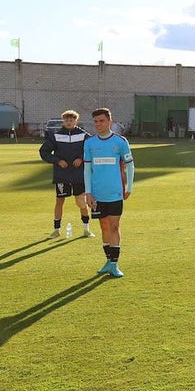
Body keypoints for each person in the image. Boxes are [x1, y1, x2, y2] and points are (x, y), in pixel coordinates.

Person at [83, 108, 135, 277]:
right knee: (103, 226)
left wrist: (129, 187)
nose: (98, 124)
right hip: (97, 194)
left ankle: (115, 264)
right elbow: (87, 169)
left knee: (114, 226)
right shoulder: (89, 143)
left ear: (109, 122)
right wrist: (88, 192)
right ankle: (107, 260)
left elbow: (129, 165)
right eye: (96, 121)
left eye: (102, 121)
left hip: (115, 192)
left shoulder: (120, 142)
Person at [38, 109, 95, 238]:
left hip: (79, 175)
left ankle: (86, 229)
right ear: (63, 121)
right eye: (66, 120)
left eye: (71, 120)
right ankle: (56, 230)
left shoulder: (84, 135)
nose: (69, 122)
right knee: (59, 201)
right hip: (62, 175)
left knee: (82, 202)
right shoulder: (56, 135)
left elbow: (91, 149)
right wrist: (57, 161)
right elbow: (44, 152)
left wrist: (81, 158)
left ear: (76, 121)